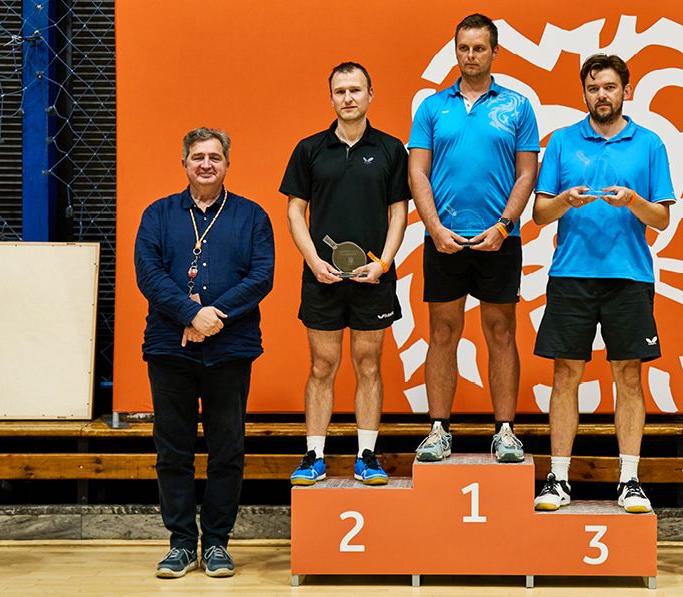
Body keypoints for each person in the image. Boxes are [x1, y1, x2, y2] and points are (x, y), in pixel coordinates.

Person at [530, 54, 675, 512]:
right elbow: (539, 214)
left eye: (610, 87)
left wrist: (632, 200)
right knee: (565, 374)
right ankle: (558, 478)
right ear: (585, 93)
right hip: (571, 275)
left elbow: (662, 218)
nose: (602, 95)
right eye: (593, 88)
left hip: (629, 277)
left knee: (628, 375)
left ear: (626, 91)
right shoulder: (561, 141)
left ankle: (629, 480)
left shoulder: (649, 144)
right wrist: (564, 202)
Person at [134, 127, 275, 578]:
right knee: (172, 449)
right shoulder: (158, 214)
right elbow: (148, 274)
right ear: (184, 164)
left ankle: (216, 543)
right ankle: (180, 543)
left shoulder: (252, 216)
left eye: (215, 157)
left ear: (227, 164)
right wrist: (190, 314)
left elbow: (261, 277)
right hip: (169, 348)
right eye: (198, 157)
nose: (206, 164)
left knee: (227, 449)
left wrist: (214, 317)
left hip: (230, 349)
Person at [408, 13, 540, 462]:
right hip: (443, 238)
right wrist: (434, 228)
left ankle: (505, 432)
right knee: (442, 332)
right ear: (456, 51)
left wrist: (504, 226)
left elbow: (527, 174)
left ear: (494, 52)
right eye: (463, 48)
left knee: (501, 331)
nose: (470, 56)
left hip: (499, 239)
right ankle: (438, 432)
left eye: (479, 48)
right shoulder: (432, 108)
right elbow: (417, 172)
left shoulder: (518, 106)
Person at [281, 62, 409, 486]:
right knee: (322, 365)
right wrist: (313, 262)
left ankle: (366, 456)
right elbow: (295, 212)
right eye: (340, 91)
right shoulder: (309, 149)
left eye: (356, 90)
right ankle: (314, 455)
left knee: (369, 364)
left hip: (374, 277)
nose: (348, 98)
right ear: (331, 97)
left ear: (371, 94)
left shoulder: (391, 149)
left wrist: (383, 263)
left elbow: (398, 212)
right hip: (322, 277)